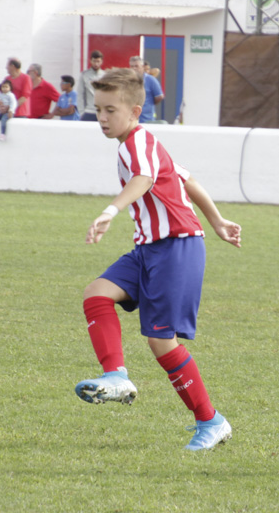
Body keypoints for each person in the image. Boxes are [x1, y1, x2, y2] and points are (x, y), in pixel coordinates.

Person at [74, 68, 241, 452]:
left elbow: (145, 179)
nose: (101, 117)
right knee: (96, 294)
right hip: (150, 248)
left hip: (176, 247)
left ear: (134, 111)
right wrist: (216, 220)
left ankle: (210, 421)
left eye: (110, 110)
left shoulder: (138, 143)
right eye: (98, 109)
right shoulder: (140, 143)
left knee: (161, 342)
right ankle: (115, 376)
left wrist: (110, 211)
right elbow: (187, 179)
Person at [129, 56, 164, 123]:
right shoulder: (127, 80)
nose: (134, 68)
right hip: (131, 119)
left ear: (142, 67)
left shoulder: (151, 80)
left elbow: (159, 96)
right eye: (132, 66)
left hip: (147, 120)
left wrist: (148, 103)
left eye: (136, 66)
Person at [79, 50, 104, 121]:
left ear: (101, 61)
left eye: (98, 61)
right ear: (90, 61)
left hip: (101, 112)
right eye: (94, 61)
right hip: (88, 112)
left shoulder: (105, 75)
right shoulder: (84, 75)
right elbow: (80, 94)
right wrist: (81, 112)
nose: (96, 64)